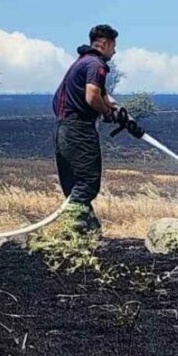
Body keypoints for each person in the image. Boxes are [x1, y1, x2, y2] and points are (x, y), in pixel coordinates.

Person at [51, 24, 144, 232]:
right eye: (114, 46)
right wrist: (106, 112)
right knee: (88, 182)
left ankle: (90, 231)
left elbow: (103, 96)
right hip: (79, 130)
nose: (115, 51)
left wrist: (122, 115)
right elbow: (92, 96)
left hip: (62, 130)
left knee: (75, 185)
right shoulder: (97, 65)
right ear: (105, 44)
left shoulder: (82, 62)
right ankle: (72, 229)